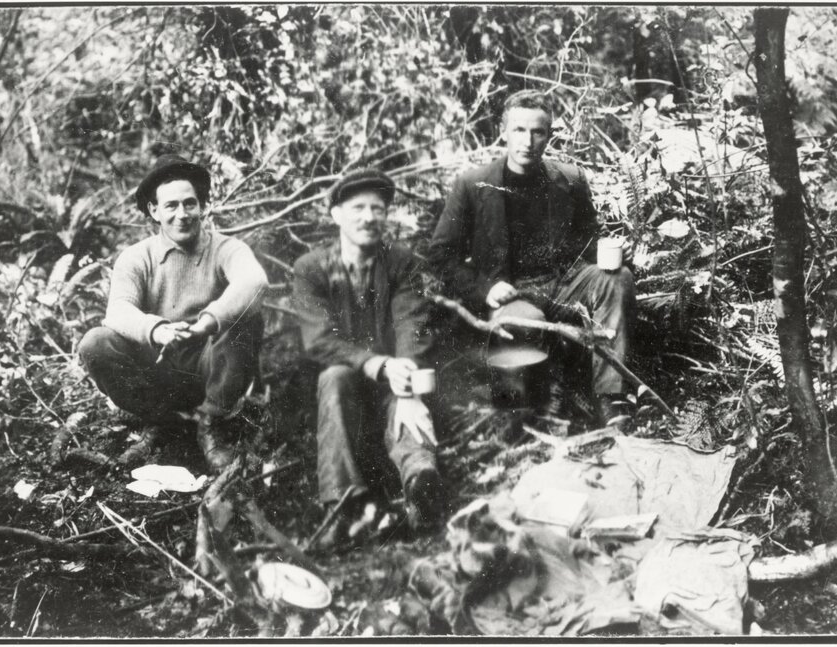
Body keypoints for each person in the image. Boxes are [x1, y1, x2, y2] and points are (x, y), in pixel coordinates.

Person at [428, 90, 636, 425]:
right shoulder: (472, 185)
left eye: (538, 132)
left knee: (618, 277)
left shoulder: (570, 180)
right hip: (513, 289)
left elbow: (589, 244)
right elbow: (440, 256)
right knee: (520, 324)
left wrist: (615, 253)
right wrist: (485, 289)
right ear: (503, 131)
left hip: (566, 282)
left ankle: (611, 400)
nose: (528, 141)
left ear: (549, 135)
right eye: (519, 130)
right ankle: (526, 417)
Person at [78, 154, 269, 473]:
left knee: (247, 318)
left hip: (211, 368)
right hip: (158, 369)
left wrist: (207, 323)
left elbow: (255, 280)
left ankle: (211, 425)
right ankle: (161, 422)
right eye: (171, 206)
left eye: (189, 203)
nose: (182, 215)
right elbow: (117, 311)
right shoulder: (137, 257)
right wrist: (156, 329)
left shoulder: (225, 249)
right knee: (95, 343)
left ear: (202, 206)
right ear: (154, 211)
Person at [293, 169, 447, 549]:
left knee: (410, 387)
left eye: (377, 209)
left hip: (392, 382)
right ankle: (344, 506)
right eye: (358, 208)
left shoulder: (401, 262)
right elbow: (318, 340)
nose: (368, 217)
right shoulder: (311, 269)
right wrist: (378, 364)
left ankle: (420, 484)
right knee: (334, 378)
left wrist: (406, 380)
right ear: (336, 215)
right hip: (337, 396)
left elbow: (412, 321)